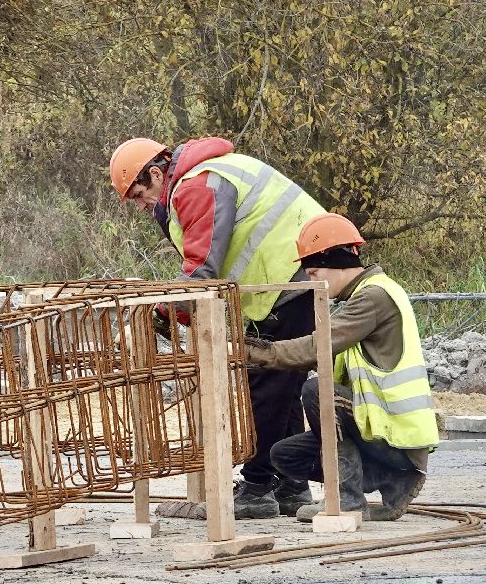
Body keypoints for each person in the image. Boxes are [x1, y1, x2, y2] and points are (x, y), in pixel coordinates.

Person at [109, 136, 325, 518]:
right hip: (297, 275)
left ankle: (258, 487)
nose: (141, 206)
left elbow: (203, 270)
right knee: (284, 384)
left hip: (293, 275)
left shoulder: (196, 185)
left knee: (266, 384)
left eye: (139, 195)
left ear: (157, 174)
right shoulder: (206, 176)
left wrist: (165, 312)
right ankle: (292, 486)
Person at [244, 213, 439, 521]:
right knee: (284, 455)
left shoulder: (373, 297)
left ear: (334, 262)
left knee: (315, 392)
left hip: (398, 439)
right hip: (384, 435)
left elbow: (313, 347)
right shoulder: (363, 295)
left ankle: (346, 500)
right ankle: (394, 483)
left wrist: (251, 352)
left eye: (313, 271)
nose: (311, 281)